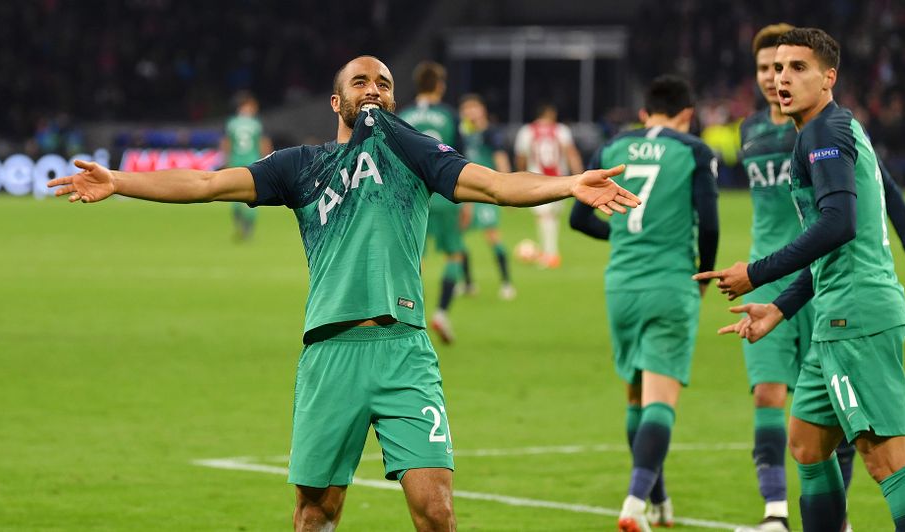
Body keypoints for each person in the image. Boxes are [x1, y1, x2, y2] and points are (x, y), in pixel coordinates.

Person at [47, 55, 640, 532]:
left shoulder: (418, 159)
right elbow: (205, 183)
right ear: (338, 102)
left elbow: (499, 185)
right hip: (330, 354)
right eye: (361, 82)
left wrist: (567, 184)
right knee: (315, 514)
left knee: (437, 514)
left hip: (405, 352)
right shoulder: (301, 166)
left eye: (384, 82)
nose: (374, 89)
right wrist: (120, 180)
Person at [696, 29, 905, 531]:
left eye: (798, 68)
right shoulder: (831, 129)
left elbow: (838, 223)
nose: (782, 79)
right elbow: (832, 246)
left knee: (886, 458)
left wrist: (756, 274)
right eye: (777, 69)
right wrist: (780, 308)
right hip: (833, 314)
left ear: (829, 78)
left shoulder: (824, 133)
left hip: (856, 316)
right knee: (804, 441)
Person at [570, 75, 719, 532]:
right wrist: (703, 275)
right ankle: (634, 503)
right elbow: (709, 224)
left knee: (636, 396)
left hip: (621, 285)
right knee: (661, 398)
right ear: (688, 116)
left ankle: (658, 500)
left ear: (643, 112)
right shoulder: (694, 150)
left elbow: (579, 217)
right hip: (670, 281)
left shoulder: (613, 147)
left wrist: (616, 236)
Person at [397, 61, 467, 342]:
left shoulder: (403, 116)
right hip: (446, 195)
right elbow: (460, 160)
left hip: (414, 199)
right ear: (439, 85)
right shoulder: (450, 116)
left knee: (416, 261)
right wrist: (467, 202)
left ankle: (411, 317)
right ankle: (441, 313)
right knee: (454, 255)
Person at [458, 93, 516, 300]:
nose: (469, 112)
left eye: (473, 107)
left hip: (485, 192)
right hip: (465, 192)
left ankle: (507, 283)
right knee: (459, 237)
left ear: (482, 110)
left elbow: (501, 160)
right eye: (466, 108)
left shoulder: (491, 133)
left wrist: (508, 189)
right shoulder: (462, 134)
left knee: (492, 236)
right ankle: (468, 283)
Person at [514, 102, 584, 269]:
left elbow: (521, 157)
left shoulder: (527, 131)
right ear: (550, 114)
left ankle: (550, 254)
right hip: (559, 180)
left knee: (544, 217)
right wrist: (580, 175)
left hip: (536, 180)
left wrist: (519, 177)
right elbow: (571, 153)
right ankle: (550, 253)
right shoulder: (561, 130)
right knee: (552, 217)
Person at [221, 92, 273, 241]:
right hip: (252, 162)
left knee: (233, 194)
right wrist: (268, 160)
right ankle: (248, 225)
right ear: (247, 105)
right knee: (253, 193)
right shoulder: (256, 124)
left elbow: (226, 143)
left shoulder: (231, 123)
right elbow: (264, 143)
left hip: (236, 161)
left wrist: (227, 160)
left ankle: (239, 222)